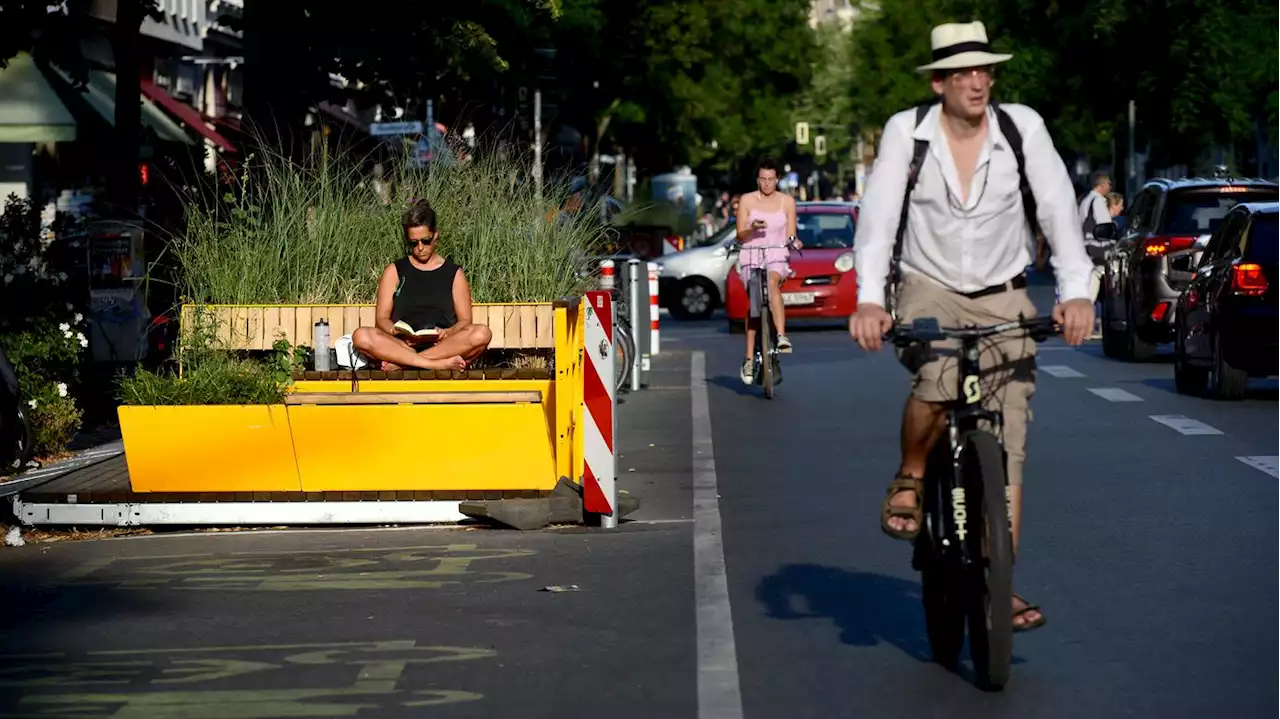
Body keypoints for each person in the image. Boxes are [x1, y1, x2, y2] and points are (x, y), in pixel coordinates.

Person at [848, 21, 1095, 632]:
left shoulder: (1021, 128)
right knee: (935, 378)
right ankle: (910, 473)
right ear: (939, 83)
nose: (978, 82)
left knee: (1009, 433)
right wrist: (870, 300)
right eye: (963, 73)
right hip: (928, 285)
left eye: (985, 70)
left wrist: (1076, 293)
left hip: (1003, 290)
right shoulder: (908, 133)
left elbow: (1059, 210)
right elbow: (879, 222)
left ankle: (996, 581)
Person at [351, 200, 492, 371]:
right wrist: (396, 331)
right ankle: (434, 365)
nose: (420, 248)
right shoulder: (395, 270)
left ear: (435, 236)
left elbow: (465, 321)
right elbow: (381, 319)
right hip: (402, 344)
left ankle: (405, 364)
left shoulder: (453, 273)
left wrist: (448, 332)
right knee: (361, 336)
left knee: (481, 334)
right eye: (413, 243)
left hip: (442, 345)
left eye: (425, 241)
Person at [736, 158, 801, 384]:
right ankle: (748, 358)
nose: (766, 184)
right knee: (755, 301)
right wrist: (750, 229)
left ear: (777, 180)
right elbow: (740, 236)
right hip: (751, 255)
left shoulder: (787, 202)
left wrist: (795, 242)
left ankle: (782, 336)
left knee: (772, 283)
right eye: (762, 179)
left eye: (771, 179)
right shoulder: (746, 200)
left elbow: (791, 234)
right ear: (757, 180)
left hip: (776, 254)